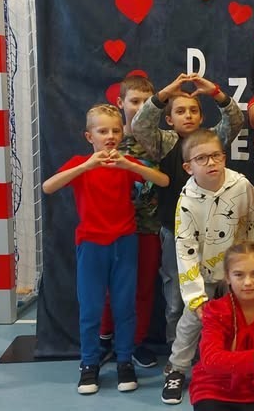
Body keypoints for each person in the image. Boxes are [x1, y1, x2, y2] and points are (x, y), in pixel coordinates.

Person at [42, 103, 170, 395]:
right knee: (91, 309)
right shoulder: (80, 163)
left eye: (115, 130)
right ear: (90, 137)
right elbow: (48, 187)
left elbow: (163, 180)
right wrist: (85, 166)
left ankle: (125, 361)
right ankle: (89, 364)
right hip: (91, 245)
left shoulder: (125, 164)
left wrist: (130, 165)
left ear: (122, 133)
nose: (110, 136)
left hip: (125, 243)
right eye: (103, 131)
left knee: (125, 307)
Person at [132, 73, 244, 352]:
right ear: (169, 120)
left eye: (194, 110)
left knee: (218, 293)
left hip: (215, 231)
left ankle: (215, 350)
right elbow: (139, 125)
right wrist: (166, 93)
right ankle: (177, 352)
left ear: (201, 117)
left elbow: (235, 121)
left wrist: (215, 92)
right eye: (180, 111)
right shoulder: (164, 142)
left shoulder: (210, 140)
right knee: (176, 297)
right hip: (175, 232)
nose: (188, 116)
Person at [161, 129, 254, 405]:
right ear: (188, 167)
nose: (211, 163)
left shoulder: (241, 186)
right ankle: (177, 368)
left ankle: (248, 368)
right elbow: (185, 249)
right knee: (191, 321)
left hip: (239, 273)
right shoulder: (187, 200)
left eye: (216, 156)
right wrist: (196, 296)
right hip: (205, 275)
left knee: (244, 319)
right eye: (202, 158)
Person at [98, 75, 161, 368]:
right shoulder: (109, 137)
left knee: (144, 289)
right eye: (135, 101)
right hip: (113, 229)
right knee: (111, 288)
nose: (141, 107)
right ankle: (104, 339)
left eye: (147, 102)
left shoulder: (158, 140)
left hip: (148, 227)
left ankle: (136, 342)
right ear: (120, 103)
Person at [189, 241, 254, 411]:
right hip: (210, 389)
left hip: (249, 393)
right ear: (228, 277)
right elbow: (211, 360)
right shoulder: (216, 310)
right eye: (239, 275)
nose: (248, 282)